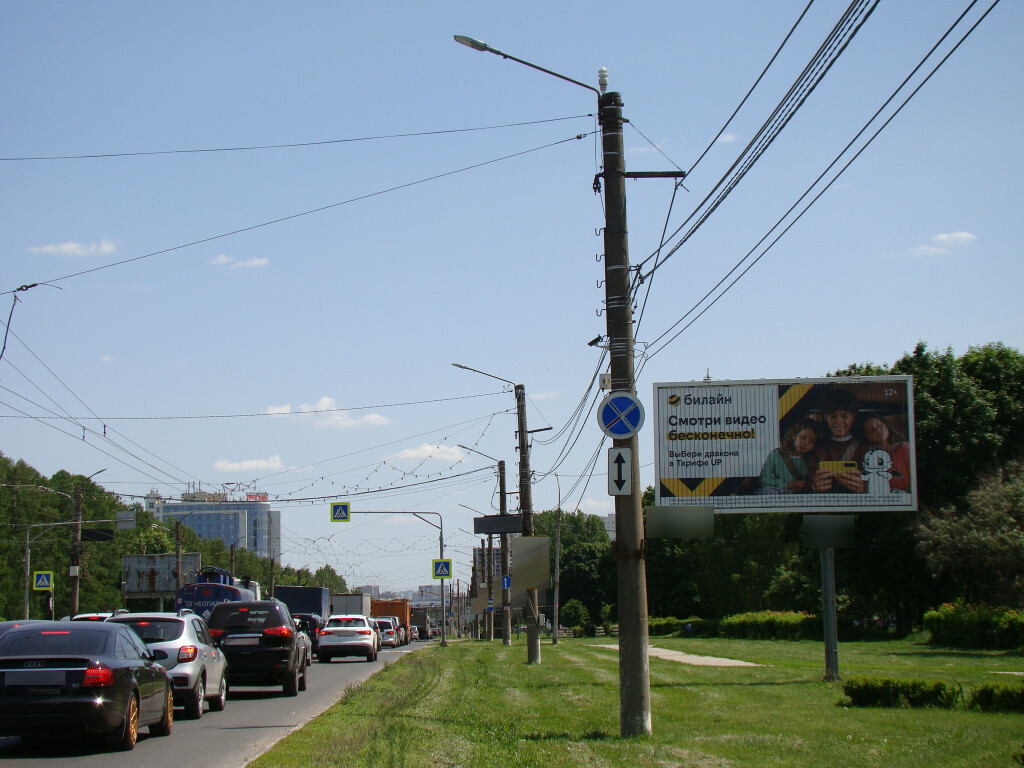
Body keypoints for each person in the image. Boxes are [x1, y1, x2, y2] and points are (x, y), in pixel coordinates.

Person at [812, 388, 868, 493]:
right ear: (825, 418)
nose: (839, 421)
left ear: (853, 417)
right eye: (833, 416)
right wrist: (814, 487)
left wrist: (864, 488)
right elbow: (807, 480)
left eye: (844, 416)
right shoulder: (816, 448)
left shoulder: (866, 448)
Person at [757, 418, 820, 493]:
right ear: (794, 435)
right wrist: (787, 485)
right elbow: (764, 478)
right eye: (803, 438)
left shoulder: (811, 461)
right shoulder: (776, 454)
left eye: (811, 441)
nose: (806, 443)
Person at [862, 415, 911, 492]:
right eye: (872, 431)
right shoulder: (868, 458)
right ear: (866, 437)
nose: (878, 431)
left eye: (879, 426)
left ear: (885, 425)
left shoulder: (904, 447)